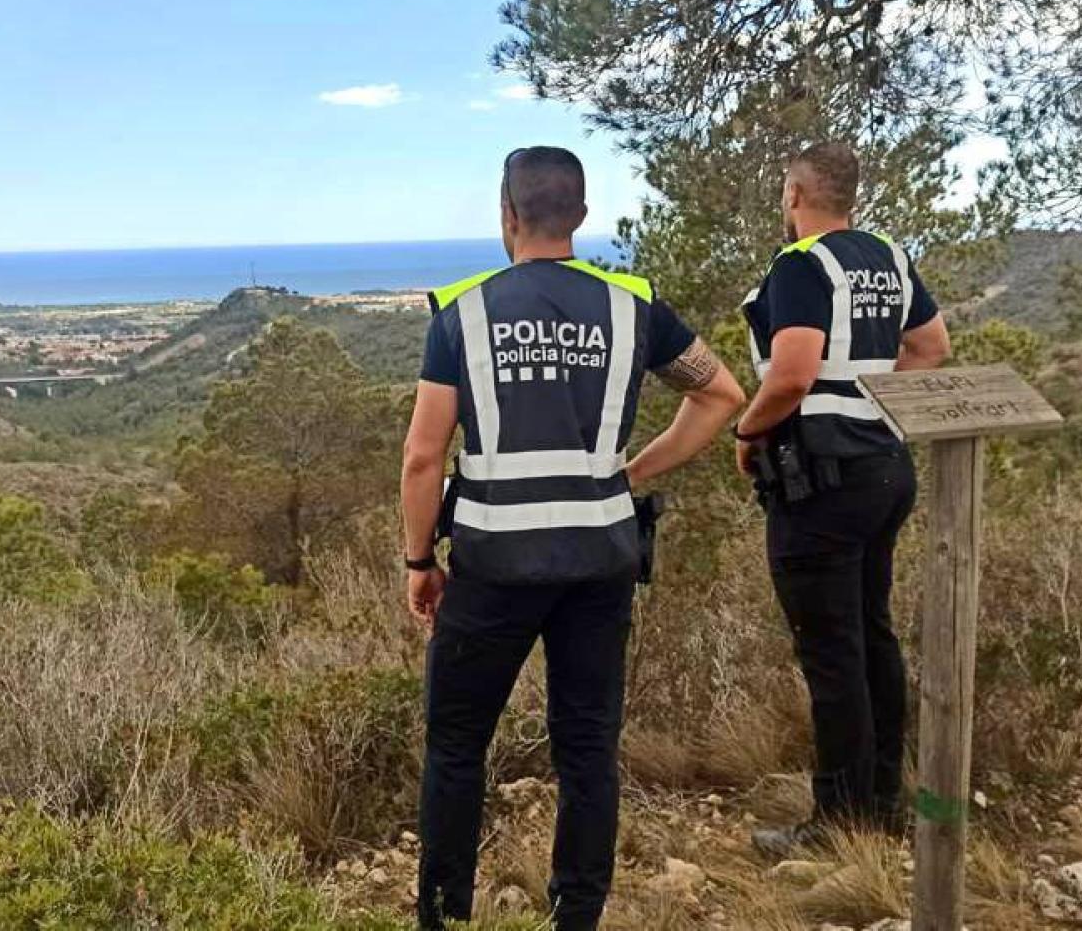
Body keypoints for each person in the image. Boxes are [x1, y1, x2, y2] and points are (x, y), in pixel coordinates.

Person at [400, 146, 745, 930]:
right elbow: (721, 393)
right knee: (587, 749)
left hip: (491, 564)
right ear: (582, 218)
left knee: (457, 747)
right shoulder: (634, 308)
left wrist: (420, 561)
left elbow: (423, 457)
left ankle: (444, 916)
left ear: (507, 214)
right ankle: (577, 916)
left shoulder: (463, 311)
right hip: (600, 562)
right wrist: (630, 473)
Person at [733, 142, 952, 857]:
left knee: (830, 651)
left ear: (795, 194)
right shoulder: (887, 254)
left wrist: (747, 428)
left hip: (821, 478)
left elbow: (792, 374)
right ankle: (882, 799)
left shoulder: (801, 265)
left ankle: (838, 824)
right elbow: (930, 346)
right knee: (871, 633)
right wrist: (870, 399)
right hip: (886, 464)